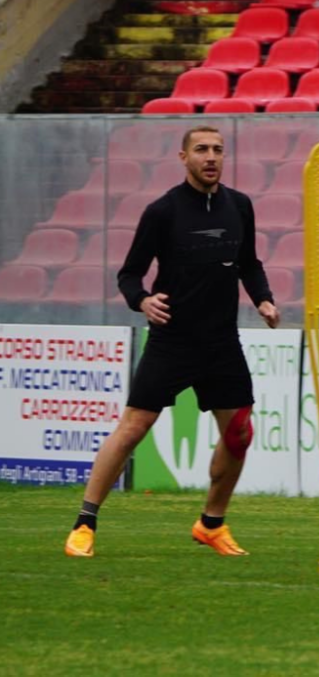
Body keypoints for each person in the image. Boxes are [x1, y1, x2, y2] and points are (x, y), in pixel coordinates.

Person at [65, 126, 280, 559]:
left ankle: (211, 524)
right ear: (183, 157)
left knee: (239, 434)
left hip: (221, 342)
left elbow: (249, 264)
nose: (211, 157)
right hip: (173, 341)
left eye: (218, 150)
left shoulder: (240, 206)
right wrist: (142, 301)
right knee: (132, 429)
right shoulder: (162, 211)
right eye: (201, 149)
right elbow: (129, 275)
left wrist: (264, 299)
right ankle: (84, 523)